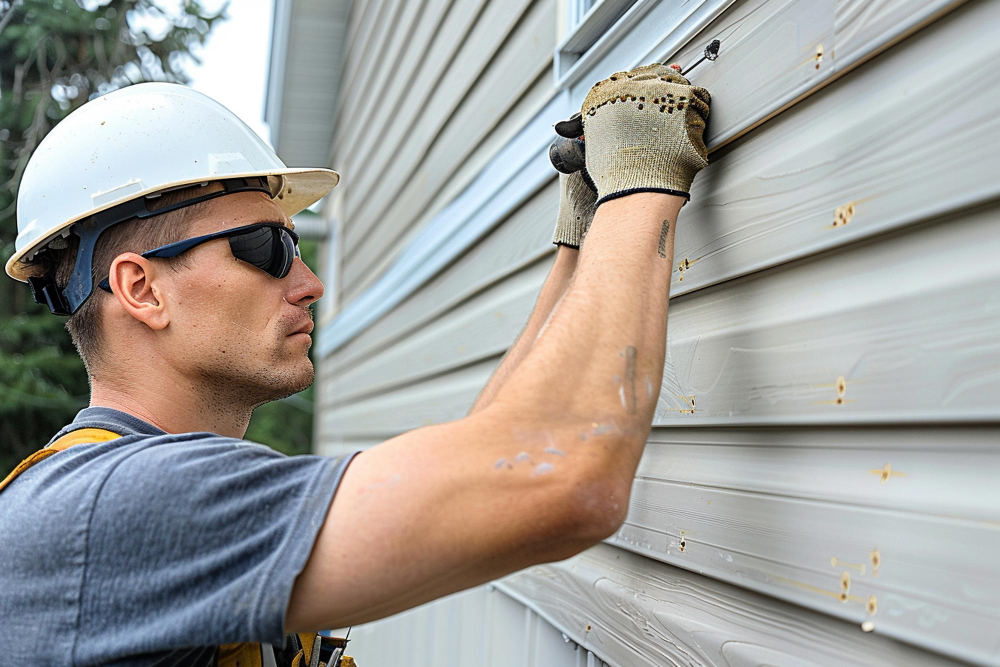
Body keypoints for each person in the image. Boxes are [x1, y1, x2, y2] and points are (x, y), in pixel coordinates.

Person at [0, 63, 709, 665]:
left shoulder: (130, 494)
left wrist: (584, 241)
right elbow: (559, 480)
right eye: (265, 249)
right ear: (141, 289)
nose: (308, 282)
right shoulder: (117, 509)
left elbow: (499, 460)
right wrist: (641, 183)